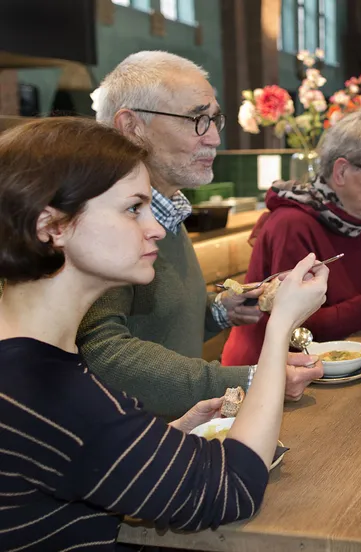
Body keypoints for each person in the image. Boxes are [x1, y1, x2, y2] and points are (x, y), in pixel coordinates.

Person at [0, 117, 328, 549]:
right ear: (52, 226)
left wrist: (158, 442)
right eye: (133, 208)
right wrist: (281, 323)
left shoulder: (33, 368)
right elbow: (233, 488)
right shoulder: (56, 395)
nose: (154, 227)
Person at [76, 51, 323, 419]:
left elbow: (157, 321)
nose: (214, 138)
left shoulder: (168, 206)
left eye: (215, 120)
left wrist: (223, 310)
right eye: (197, 119)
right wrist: (255, 379)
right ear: (131, 126)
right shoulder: (100, 221)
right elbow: (104, 352)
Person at [222, 108, 361, 363]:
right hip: (262, 374)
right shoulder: (291, 223)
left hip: (338, 362)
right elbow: (298, 327)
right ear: (341, 172)